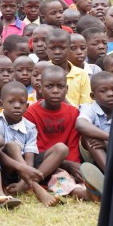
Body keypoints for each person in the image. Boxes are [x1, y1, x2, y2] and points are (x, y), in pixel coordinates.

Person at [23, 66, 93, 201]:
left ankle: (84, 188)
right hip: (40, 162)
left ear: (66, 89)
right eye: (49, 86)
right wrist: (65, 164)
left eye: (60, 86)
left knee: (77, 173)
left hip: (64, 162)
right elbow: (34, 147)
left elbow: (73, 145)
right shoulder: (31, 113)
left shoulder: (73, 113)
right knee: (60, 166)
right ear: (40, 89)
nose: (55, 91)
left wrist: (73, 166)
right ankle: (78, 192)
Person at [0, 82, 65, 207]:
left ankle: (27, 184)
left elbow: (29, 158)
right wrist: (23, 168)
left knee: (61, 148)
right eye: (11, 102)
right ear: (1, 104)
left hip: (26, 168)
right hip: (4, 167)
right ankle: (35, 186)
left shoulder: (30, 127)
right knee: (12, 146)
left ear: (27, 105)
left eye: (21, 102)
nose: (17, 106)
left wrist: (22, 183)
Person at [76, 72, 113, 171]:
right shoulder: (89, 108)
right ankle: (110, 174)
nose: (110, 94)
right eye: (103, 91)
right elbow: (80, 124)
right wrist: (111, 138)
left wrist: (109, 144)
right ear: (93, 96)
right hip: (93, 155)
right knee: (89, 136)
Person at [45, 29, 91, 107]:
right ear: (46, 49)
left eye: (62, 48)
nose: (57, 52)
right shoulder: (42, 71)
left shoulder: (81, 74)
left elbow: (86, 106)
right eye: (52, 48)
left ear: (69, 49)